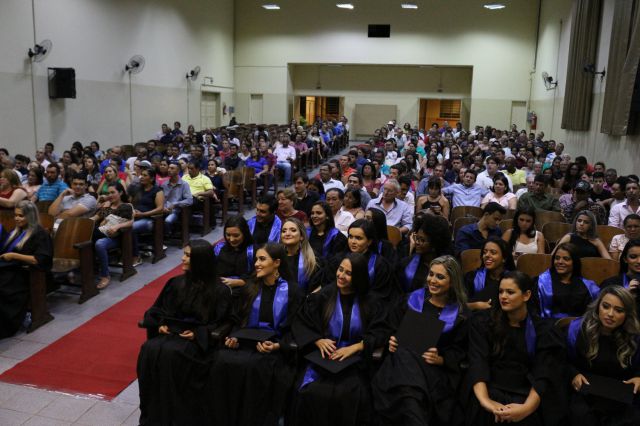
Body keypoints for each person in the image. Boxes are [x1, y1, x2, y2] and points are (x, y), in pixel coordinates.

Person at [137, 240, 232, 426]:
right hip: (171, 334)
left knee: (172, 354)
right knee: (149, 349)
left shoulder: (219, 290)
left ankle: (177, 418)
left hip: (197, 343)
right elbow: (157, 309)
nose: (182, 259)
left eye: (188, 255)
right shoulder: (176, 283)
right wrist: (160, 324)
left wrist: (198, 334)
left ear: (200, 260)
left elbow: (223, 322)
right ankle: (156, 416)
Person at [209, 243, 303, 426]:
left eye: (262, 259)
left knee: (256, 367)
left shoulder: (293, 291)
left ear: (277, 263)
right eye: (256, 260)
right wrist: (233, 337)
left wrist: (278, 345)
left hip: (273, 348)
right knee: (221, 360)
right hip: (245, 343)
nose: (256, 264)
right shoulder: (250, 288)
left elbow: (297, 327)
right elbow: (237, 319)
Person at [290, 253, 388, 426]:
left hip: (354, 362)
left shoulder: (370, 301)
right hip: (323, 359)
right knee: (310, 391)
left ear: (358, 277)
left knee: (349, 394)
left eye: (348, 273)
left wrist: (356, 347)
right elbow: (301, 321)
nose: (341, 275)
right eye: (340, 269)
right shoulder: (324, 295)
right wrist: (317, 340)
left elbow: (381, 331)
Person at [372, 256, 469, 426]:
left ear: (453, 282)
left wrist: (441, 359)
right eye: (431, 274)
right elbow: (390, 328)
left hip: (433, 373)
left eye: (440, 277)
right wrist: (391, 341)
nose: (433, 280)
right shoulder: (410, 300)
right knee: (406, 371)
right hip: (399, 365)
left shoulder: (461, 315)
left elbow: (461, 350)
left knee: (409, 393)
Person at [468, 271, 566, 425]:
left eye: (510, 292)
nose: (503, 296)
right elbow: (478, 362)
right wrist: (486, 402)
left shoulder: (543, 330)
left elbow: (543, 373)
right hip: (489, 388)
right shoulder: (484, 322)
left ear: (526, 295)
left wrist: (526, 409)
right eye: (501, 291)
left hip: (526, 394)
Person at [565, 286, 640, 425]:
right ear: (598, 306)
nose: (610, 314)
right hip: (586, 391)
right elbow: (563, 361)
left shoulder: (635, 336)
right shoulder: (578, 329)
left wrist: (638, 377)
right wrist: (573, 374)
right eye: (605, 306)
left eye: (619, 310)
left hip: (620, 394)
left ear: (627, 314)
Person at [0, 201, 52, 338]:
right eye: (16, 215)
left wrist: (14, 255)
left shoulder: (40, 234)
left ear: (30, 216)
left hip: (23, 274)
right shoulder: (16, 232)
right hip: (9, 270)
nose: (17, 218)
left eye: (21, 216)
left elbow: (39, 259)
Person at [533, 242, 600, 319]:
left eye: (566, 259)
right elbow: (535, 313)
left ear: (574, 262)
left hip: (578, 325)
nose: (560, 262)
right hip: (548, 324)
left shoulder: (588, 287)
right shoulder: (542, 282)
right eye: (557, 258)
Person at [90, 182, 134, 289]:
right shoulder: (108, 206)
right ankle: (88, 270)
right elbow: (96, 219)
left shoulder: (127, 206)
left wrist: (118, 226)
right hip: (103, 232)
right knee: (87, 238)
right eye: (108, 193)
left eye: (112, 192)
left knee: (98, 243)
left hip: (117, 237)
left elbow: (131, 222)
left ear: (120, 192)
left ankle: (105, 276)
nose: (110, 195)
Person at [342, 219, 398, 301]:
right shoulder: (340, 259)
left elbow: (382, 294)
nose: (352, 241)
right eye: (350, 237)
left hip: (368, 304)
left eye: (358, 238)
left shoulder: (380, 265)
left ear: (369, 241)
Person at [399, 213, 453, 293]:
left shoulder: (449, 266)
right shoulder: (406, 264)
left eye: (422, 240)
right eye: (417, 238)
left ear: (434, 244)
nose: (417, 242)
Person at [465, 238, 516, 311]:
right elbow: (459, 306)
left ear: (504, 258)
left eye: (493, 252)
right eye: (484, 252)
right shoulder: (472, 277)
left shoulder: (513, 279)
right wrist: (476, 305)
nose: (487, 255)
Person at [130, 168, 165, 265]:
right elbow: (131, 203)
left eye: (145, 175)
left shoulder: (157, 191)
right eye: (141, 175)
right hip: (135, 216)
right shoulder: (138, 189)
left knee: (130, 228)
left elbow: (160, 208)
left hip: (149, 219)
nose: (141, 177)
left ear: (152, 178)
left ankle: (136, 256)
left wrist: (143, 214)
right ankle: (126, 254)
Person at [280, 217, 322, 293]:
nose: (287, 234)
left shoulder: (313, 259)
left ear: (301, 236)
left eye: (293, 230)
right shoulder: (276, 257)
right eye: (284, 231)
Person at [213, 215, 255, 290]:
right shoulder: (219, 248)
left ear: (245, 234)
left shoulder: (252, 251)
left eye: (236, 235)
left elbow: (258, 277)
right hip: (220, 288)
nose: (231, 239)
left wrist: (240, 282)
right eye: (228, 235)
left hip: (245, 289)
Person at [602, 238, 640, 315]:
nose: (639, 261)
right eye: (633, 257)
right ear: (625, 259)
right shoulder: (610, 284)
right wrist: (625, 295)